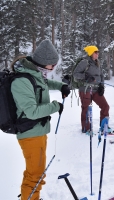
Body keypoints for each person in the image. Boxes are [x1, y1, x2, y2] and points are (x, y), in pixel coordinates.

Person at [10, 39, 70, 200]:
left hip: (38, 131)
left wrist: (60, 86)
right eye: (52, 65)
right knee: (35, 175)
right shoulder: (21, 81)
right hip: (29, 133)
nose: (54, 68)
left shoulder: (35, 74)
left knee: (37, 172)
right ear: (44, 63)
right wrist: (55, 106)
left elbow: (44, 83)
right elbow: (31, 112)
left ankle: (31, 197)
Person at [73, 45, 111, 134]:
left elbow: (101, 75)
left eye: (98, 52)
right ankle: (86, 129)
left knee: (105, 106)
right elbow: (75, 74)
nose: (98, 54)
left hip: (96, 90)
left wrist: (102, 86)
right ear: (91, 53)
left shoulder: (97, 63)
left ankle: (104, 126)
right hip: (85, 90)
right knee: (86, 108)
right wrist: (86, 77)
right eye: (96, 52)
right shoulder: (84, 62)